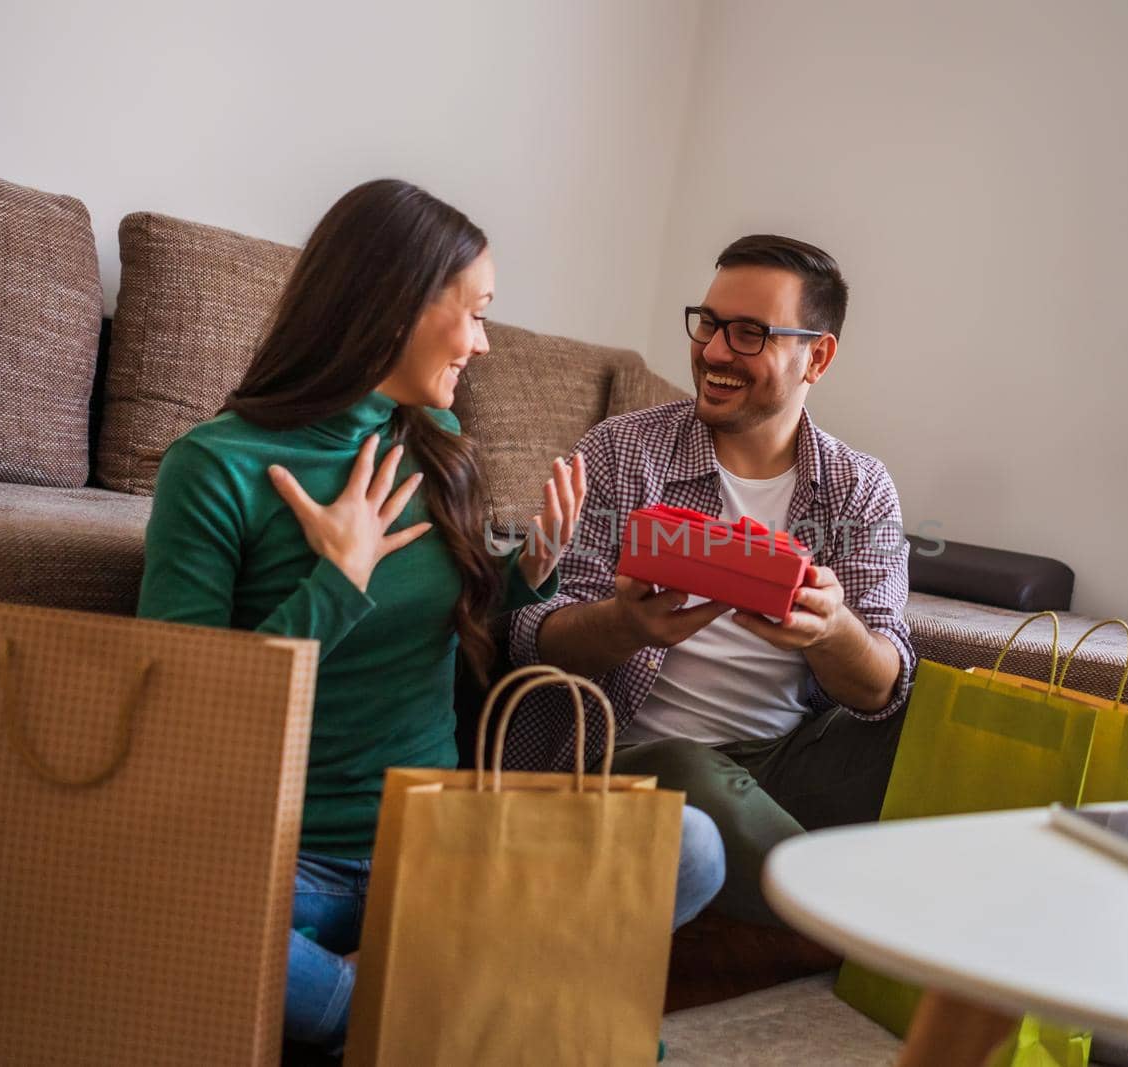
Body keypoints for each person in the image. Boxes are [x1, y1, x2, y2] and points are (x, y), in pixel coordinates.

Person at [136, 179, 725, 1053]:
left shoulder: (435, 446)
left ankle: (384, 1012)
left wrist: (529, 575)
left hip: (433, 844)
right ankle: (437, 1007)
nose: (485, 344)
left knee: (692, 845)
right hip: (274, 861)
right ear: (399, 305)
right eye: (477, 312)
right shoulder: (215, 466)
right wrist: (335, 583)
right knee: (139, 897)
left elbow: (460, 656)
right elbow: (183, 705)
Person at [504, 234, 913, 925]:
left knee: (925, 722)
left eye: (750, 333)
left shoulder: (859, 488)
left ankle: (797, 894)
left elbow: (880, 684)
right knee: (694, 776)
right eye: (710, 323)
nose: (716, 351)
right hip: (639, 756)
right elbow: (528, 636)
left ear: (817, 355)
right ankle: (863, 923)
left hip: (786, 756)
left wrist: (831, 629)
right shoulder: (621, 452)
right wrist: (625, 625)